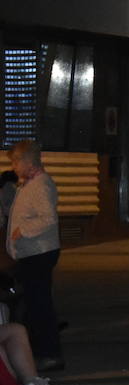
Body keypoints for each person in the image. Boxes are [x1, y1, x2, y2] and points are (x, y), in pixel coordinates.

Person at [6, 141, 62, 372]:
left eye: (15, 162)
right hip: (34, 252)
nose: (14, 167)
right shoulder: (31, 183)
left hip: (39, 252)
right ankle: (39, 351)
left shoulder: (40, 184)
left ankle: (48, 353)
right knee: (34, 304)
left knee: (39, 305)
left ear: (27, 162)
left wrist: (22, 231)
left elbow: (48, 218)